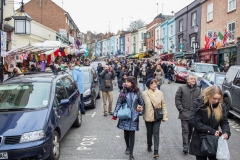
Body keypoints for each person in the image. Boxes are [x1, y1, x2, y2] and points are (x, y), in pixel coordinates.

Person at [189, 86, 231, 160]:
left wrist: (226, 132)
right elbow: (193, 121)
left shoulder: (221, 106)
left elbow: (224, 122)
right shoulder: (199, 103)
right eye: (214, 98)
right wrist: (211, 131)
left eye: (218, 99)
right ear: (208, 95)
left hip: (214, 140)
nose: (216, 101)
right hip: (200, 139)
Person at [112, 76, 145, 160]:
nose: (126, 83)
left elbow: (142, 103)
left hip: (134, 115)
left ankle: (131, 153)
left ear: (132, 83)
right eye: (126, 82)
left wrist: (140, 112)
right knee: (126, 133)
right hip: (125, 114)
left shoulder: (137, 92)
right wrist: (115, 113)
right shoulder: (123, 91)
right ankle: (127, 146)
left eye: (127, 82)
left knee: (132, 134)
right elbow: (119, 102)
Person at [175, 73, 201, 153]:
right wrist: (181, 109)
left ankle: (188, 140)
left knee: (190, 130)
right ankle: (185, 145)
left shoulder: (198, 89)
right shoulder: (181, 88)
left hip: (194, 114)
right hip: (184, 112)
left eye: (194, 79)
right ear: (187, 80)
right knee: (185, 130)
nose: (193, 80)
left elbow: (200, 101)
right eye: (192, 79)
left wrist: (198, 111)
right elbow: (177, 99)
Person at [142, 78, 168, 158]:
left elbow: (163, 104)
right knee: (149, 132)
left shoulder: (160, 93)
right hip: (148, 115)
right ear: (148, 85)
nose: (154, 85)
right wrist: (139, 108)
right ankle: (149, 144)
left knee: (156, 132)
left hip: (157, 116)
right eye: (152, 83)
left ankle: (156, 151)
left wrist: (165, 116)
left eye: (155, 83)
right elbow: (141, 104)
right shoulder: (144, 93)